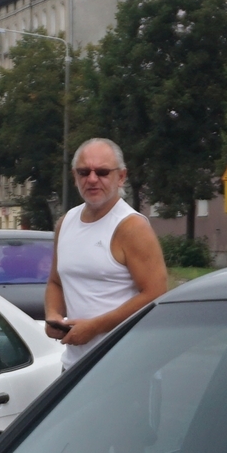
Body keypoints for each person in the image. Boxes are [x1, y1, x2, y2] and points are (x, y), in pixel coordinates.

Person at [44, 138, 167, 368]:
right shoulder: (66, 223)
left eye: (102, 172)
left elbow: (155, 293)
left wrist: (94, 327)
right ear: (74, 176)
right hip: (73, 364)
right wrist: (52, 315)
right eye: (84, 172)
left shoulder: (131, 227)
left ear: (121, 176)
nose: (92, 179)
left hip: (122, 367)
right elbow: (55, 282)